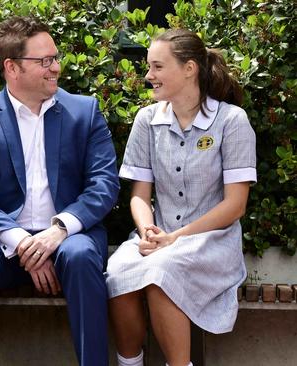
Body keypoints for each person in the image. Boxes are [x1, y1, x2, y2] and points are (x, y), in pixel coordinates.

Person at [0, 16, 120, 365]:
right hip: (2, 244)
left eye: (55, 58)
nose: (55, 68)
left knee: (83, 255)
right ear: (12, 67)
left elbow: (104, 184)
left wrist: (57, 231)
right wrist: (22, 242)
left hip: (67, 240)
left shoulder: (85, 112)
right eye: (44, 61)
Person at [106, 29, 255, 366]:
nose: (148, 76)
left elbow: (236, 205)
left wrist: (174, 239)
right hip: (159, 237)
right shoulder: (146, 120)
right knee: (117, 272)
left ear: (189, 69)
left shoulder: (232, 121)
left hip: (211, 242)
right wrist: (148, 232)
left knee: (162, 272)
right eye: (149, 67)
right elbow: (139, 195)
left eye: (158, 67)